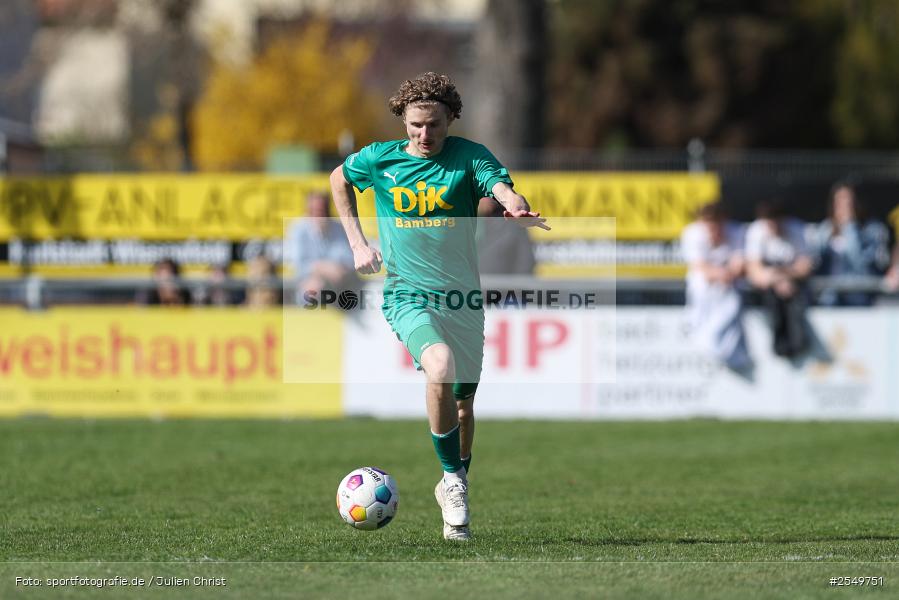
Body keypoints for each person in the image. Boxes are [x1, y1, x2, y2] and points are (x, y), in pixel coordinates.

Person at [329, 72, 548, 540]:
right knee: (440, 366)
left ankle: (456, 479)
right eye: (414, 126)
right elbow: (337, 179)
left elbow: (501, 186)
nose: (424, 135)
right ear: (402, 121)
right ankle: (452, 482)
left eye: (433, 125)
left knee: (464, 407)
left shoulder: (469, 157)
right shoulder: (379, 159)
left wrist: (513, 204)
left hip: (463, 299)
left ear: (450, 118)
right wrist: (357, 244)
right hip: (408, 294)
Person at [680, 202, 751, 371]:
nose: (713, 231)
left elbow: (739, 263)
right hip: (704, 290)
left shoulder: (736, 232)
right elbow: (699, 267)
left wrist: (730, 273)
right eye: (708, 226)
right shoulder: (692, 234)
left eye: (716, 226)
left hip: (731, 288)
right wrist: (720, 274)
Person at [745, 200, 813, 358]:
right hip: (768, 289)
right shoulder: (756, 231)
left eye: (776, 222)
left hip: (792, 285)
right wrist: (777, 280)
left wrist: (783, 276)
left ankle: (797, 342)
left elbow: (805, 267)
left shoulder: (797, 229)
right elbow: (754, 271)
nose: (773, 227)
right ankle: (780, 343)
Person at [808, 182, 890, 306]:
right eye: (840, 201)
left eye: (850, 201)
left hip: (861, 297)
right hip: (829, 298)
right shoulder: (824, 230)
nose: (845, 206)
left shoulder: (874, 230)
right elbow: (814, 262)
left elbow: (862, 265)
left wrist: (850, 227)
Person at [284, 191, 358, 305]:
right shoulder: (297, 229)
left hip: (340, 281)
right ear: (308, 210)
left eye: (322, 210)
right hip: (305, 282)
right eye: (315, 210)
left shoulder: (339, 227)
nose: (319, 214)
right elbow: (296, 264)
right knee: (312, 290)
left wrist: (333, 270)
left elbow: (349, 259)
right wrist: (321, 268)